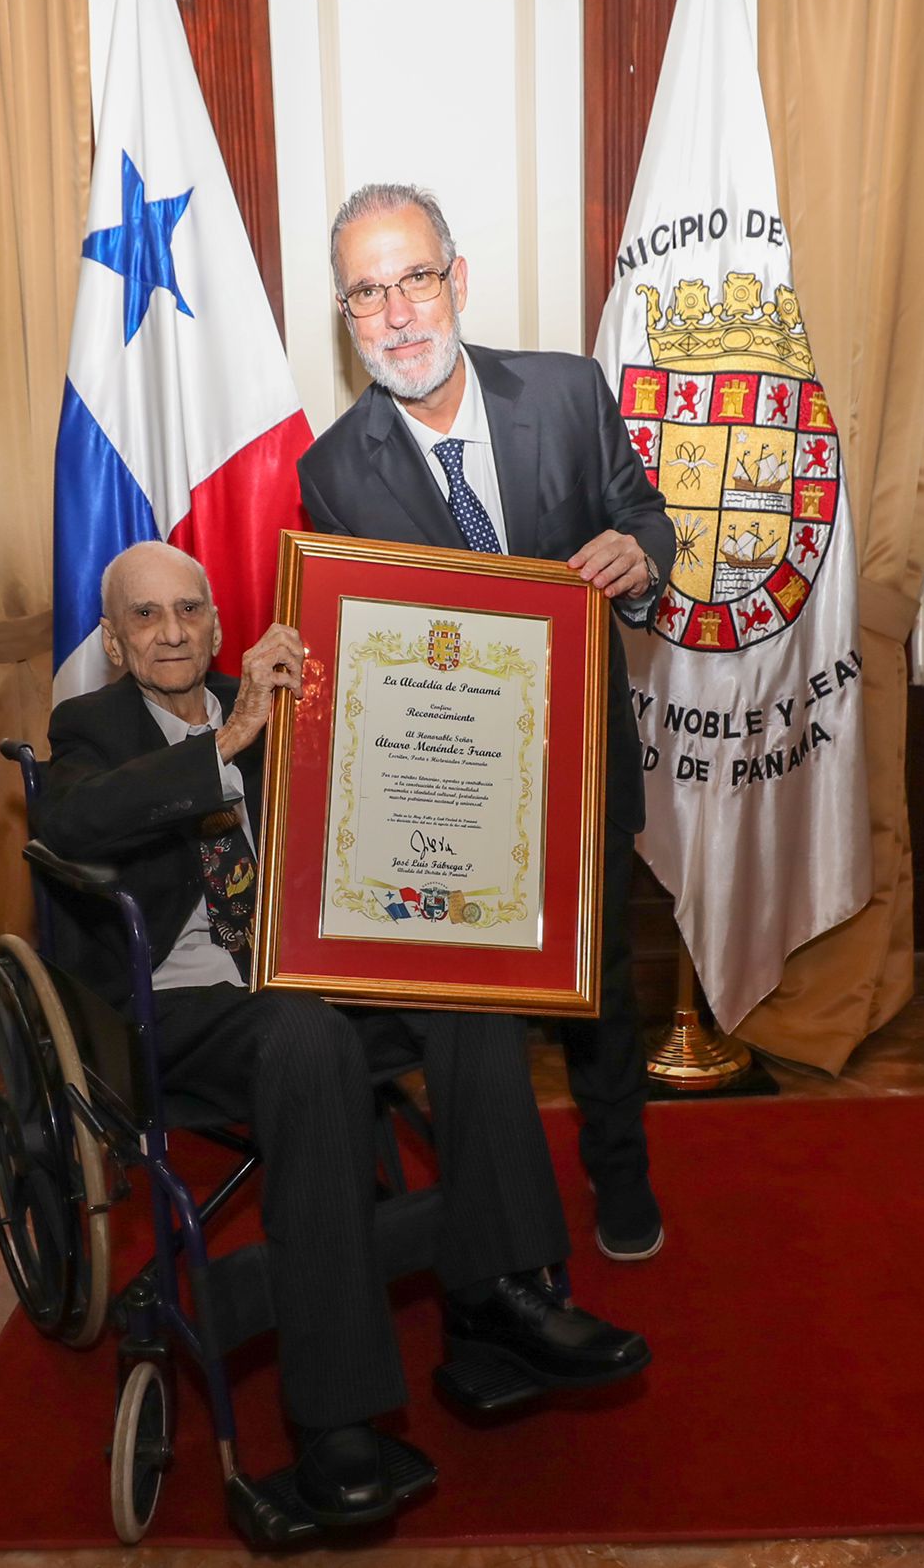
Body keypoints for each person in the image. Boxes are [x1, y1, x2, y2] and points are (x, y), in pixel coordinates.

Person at [36, 541, 649, 1529]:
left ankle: (500, 1288)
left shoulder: (280, 690)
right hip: (187, 1005)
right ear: (113, 637)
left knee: (470, 988)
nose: (172, 630)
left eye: (188, 609)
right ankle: (335, 1418)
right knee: (307, 1037)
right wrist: (227, 741)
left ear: (218, 623)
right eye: (145, 616)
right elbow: (73, 822)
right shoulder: (92, 726)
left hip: (307, 965)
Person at [298, 183, 676, 1263]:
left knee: (600, 983)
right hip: (444, 787)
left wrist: (640, 553)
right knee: (475, 1014)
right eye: (367, 294)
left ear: (456, 280)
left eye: (415, 278)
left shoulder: (564, 393)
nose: (399, 312)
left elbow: (641, 510)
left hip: (583, 760)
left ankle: (619, 1172)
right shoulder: (329, 472)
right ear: (347, 318)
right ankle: (503, 1216)